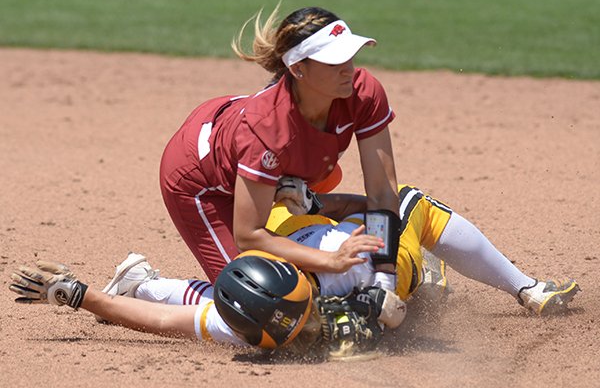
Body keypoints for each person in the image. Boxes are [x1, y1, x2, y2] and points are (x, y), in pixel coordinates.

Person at [9, 185, 580, 355]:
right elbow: (159, 325)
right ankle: (149, 277)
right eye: (302, 324)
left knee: (407, 208)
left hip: (358, 254)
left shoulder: (350, 267)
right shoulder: (244, 320)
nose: (309, 328)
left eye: (304, 317)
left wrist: (386, 294)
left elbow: (376, 210)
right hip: (288, 236)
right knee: (226, 289)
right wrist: (77, 294)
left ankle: (522, 286)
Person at [159, 5, 400, 284]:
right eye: (335, 62)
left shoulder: (361, 92)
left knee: (385, 213)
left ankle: (298, 198)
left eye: (350, 56)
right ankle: (145, 287)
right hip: (200, 179)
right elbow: (249, 235)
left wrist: (385, 277)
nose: (349, 69)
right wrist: (330, 261)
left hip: (248, 149)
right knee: (255, 298)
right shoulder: (267, 129)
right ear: (298, 69)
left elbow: (382, 193)